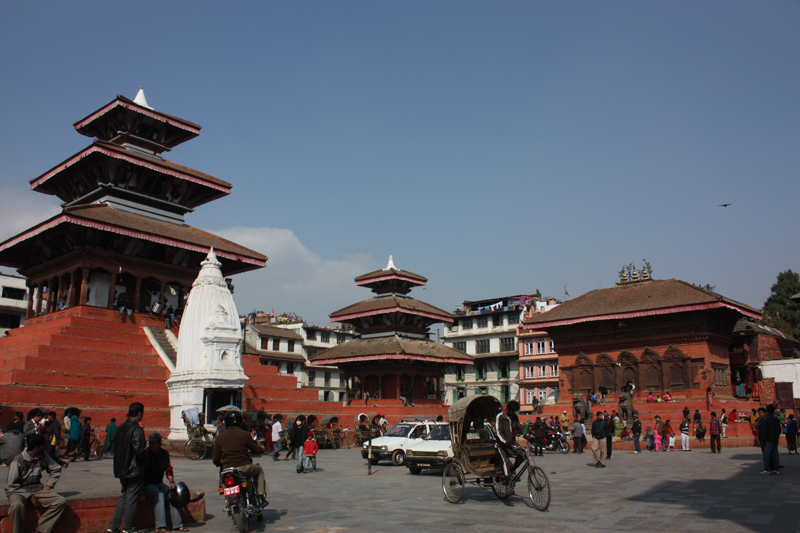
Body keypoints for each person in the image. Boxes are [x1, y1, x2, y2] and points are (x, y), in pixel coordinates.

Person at [5, 434, 66, 533]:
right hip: (19, 491)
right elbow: (10, 485)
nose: (45, 447)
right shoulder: (18, 460)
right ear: (36, 448)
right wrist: (29, 496)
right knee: (17, 506)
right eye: (43, 445)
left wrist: (49, 485)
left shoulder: (42, 456)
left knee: (60, 501)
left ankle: (39, 529)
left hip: (36, 489)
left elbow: (56, 468)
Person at [212, 411, 268, 505]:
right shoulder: (245, 434)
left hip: (227, 469)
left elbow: (215, 458)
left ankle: (227, 497)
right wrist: (261, 449)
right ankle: (260, 496)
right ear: (239, 422)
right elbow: (256, 450)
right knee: (259, 470)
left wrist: (220, 463)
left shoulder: (220, 438)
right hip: (244, 467)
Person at [107, 402, 146, 533]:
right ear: (139, 413)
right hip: (133, 470)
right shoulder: (136, 429)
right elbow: (139, 451)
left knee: (124, 496)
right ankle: (128, 527)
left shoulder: (120, 428)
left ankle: (113, 526)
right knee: (131, 499)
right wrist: (145, 464)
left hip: (121, 469)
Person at [144, 433, 188, 533]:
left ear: (159, 443)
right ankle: (160, 526)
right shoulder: (146, 454)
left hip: (159, 483)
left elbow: (168, 470)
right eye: (150, 443)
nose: (151, 445)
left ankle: (177, 524)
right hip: (148, 484)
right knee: (159, 495)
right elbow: (141, 473)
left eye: (153, 443)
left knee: (172, 493)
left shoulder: (163, 454)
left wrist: (172, 482)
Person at [495, 400, 524, 493]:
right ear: (508, 409)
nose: (514, 413)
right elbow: (498, 432)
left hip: (512, 442)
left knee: (523, 454)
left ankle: (512, 470)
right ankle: (507, 484)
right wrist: (505, 441)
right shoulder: (500, 416)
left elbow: (519, 427)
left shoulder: (514, 417)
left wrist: (526, 434)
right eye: (513, 411)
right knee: (506, 461)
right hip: (501, 443)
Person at [758, 404, 782, 475]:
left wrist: (762, 440)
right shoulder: (776, 419)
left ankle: (767, 469)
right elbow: (779, 430)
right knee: (775, 454)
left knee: (766, 454)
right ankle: (776, 469)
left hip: (768, 439)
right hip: (775, 438)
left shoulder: (765, 419)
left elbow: (764, 431)